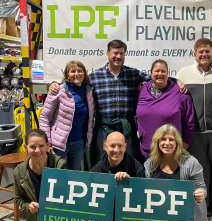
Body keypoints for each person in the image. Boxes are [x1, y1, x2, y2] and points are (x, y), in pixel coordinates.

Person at [48, 40, 186, 165]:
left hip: (127, 129)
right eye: (115, 53)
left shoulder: (133, 74)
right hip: (103, 129)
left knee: (129, 163)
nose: (118, 57)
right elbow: (74, 85)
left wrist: (176, 81)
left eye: (121, 53)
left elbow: (157, 77)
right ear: (108, 53)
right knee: (102, 163)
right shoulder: (95, 77)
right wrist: (55, 84)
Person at [176, 38, 212, 219]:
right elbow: (167, 85)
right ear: (195, 55)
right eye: (200, 52)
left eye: (207, 51)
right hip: (195, 134)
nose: (204, 54)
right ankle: (203, 205)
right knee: (199, 171)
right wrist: (177, 82)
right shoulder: (184, 73)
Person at [144, 124, 212, 221]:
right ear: (157, 142)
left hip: (188, 218)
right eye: (163, 139)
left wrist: (201, 194)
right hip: (162, 218)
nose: (167, 143)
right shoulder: (149, 164)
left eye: (171, 139)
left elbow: (202, 187)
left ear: (177, 142)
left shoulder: (191, 163)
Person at [79, 131, 145, 221]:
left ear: (126, 146)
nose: (116, 150)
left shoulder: (137, 168)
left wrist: (131, 185)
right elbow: (89, 210)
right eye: (112, 146)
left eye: (120, 146)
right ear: (105, 146)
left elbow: (141, 208)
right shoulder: (95, 172)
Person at [13, 129, 67, 221]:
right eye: (32, 147)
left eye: (41, 146)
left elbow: (67, 196)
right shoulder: (19, 172)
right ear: (25, 148)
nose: (37, 150)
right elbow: (18, 198)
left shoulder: (60, 166)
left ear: (48, 145)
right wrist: (28, 206)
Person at [39, 60, 95, 171]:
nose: (76, 74)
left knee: (73, 176)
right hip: (57, 144)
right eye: (72, 71)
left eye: (79, 71)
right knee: (56, 175)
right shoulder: (58, 91)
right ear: (67, 74)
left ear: (84, 73)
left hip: (79, 142)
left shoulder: (89, 92)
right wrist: (47, 142)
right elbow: (44, 118)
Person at [136, 59, 194, 159]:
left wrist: (183, 147)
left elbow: (189, 122)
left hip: (171, 153)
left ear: (168, 74)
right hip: (146, 151)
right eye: (157, 71)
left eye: (163, 71)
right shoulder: (142, 89)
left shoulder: (180, 92)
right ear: (151, 73)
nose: (160, 74)